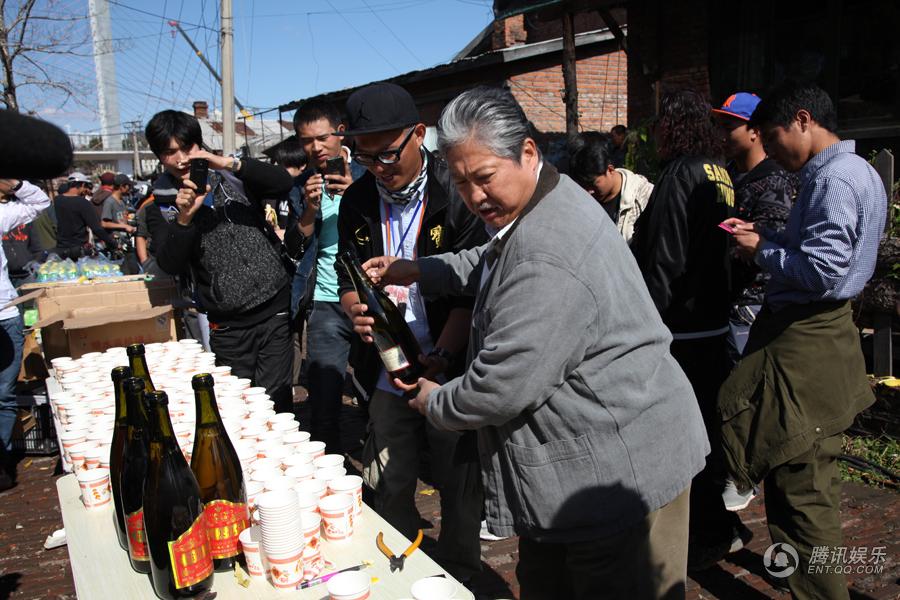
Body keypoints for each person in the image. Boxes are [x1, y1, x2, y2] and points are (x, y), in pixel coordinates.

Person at [355, 86, 708, 599]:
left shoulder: (549, 250)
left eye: (484, 178)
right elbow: (491, 262)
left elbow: (498, 387)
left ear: (527, 152)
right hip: (587, 461)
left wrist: (429, 398)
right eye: (460, 182)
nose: (474, 197)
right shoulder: (539, 201)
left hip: (620, 466)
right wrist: (420, 270)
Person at [722, 81, 886, 600]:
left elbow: (819, 270)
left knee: (801, 489)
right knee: (809, 484)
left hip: (807, 340)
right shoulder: (852, 171)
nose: (767, 151)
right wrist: (766, 238)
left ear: (802, 120)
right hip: (818, 336)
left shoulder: (835, 179)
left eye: (771, 138)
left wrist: (758, 252)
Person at [336, 82, 488, 581]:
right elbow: (347, 274)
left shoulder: (457, 193)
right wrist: (355, 307)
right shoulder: (357, 199)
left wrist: (441, 357)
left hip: (448, 365)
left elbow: (471, 293)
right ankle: (402, 570)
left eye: (386, 154)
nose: (377, 168)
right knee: (390, 478)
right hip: (385, 370)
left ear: (419, 134)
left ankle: (461, 572)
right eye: (364, 157)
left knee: (458, 481)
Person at [629, 90, 742, 570]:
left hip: (683, 326)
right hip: (714, 318)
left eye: (657, 128)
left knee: (683, 435)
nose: (653, 138)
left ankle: (703, 532)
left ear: (672, 126)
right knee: (709, 431)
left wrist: (643, 327)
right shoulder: (721, 173)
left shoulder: (679, 174)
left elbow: (666, 260)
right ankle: (717, 526)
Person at [149, 110, 295, 413]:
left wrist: (225, 162)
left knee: (277, 403)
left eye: (187, 148)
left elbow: (282, 183)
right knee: (239, 408)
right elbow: (169, 263)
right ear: (160, 157)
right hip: (228, 325)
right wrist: (185, 218)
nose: (180, 159)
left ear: (199, 145)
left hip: (275, 308)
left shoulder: (231, 177)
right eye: (169, 152)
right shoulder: (162, 204)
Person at [282, 100, 363, 454]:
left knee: (375, 393)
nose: (315, 148)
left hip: (367, 296)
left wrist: (354, 196)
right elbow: (294, 245)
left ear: (340, 132)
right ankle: (329, 469)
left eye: (321, 138)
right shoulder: (301, 186)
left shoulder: (368, 174)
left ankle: (377, 471)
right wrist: (310, 209)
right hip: (324, 302)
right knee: (325, 395)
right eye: (306, 140)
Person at [712, 93, 794, 369]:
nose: (721, 135)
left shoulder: (774, 179)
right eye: (719, 126)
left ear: (755, 131)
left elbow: (770, 240)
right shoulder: (726, 174)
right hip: (723, 298)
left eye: (729, 127)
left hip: (752, 303)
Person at [0, 178, 50, 491]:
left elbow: (39, 203)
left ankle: (2, 463)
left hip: (5, 315)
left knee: (4, 395)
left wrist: (15, 183)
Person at [568, 132, 653, 243]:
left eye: (592, 183)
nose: (588, 191)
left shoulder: (644, 197)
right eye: (583, 186)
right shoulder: (580, 202)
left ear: (610, 170)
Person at [271, 138, 309, 387]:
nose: (280, 172)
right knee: (291, 328)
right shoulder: (275, 193)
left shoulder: (304, 191)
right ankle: (293, 381)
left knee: (309, 330)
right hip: (285, 267)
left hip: (306, 269)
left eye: (286, 166)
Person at [53, 172, 116, 259]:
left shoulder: (57, 200)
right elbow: (96, 228)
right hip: (78, 250)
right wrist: (112, 243)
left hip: (61, 249)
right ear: (82, 184)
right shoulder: (83, 203)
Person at [100, 174, 137, 238]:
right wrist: (125, 226)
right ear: (121, 186)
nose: (130, 188)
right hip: (115, 239)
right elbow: (104, 224)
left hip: (125, 238)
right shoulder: (109, 202)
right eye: (128, 185)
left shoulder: (122, 200)